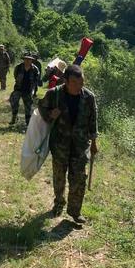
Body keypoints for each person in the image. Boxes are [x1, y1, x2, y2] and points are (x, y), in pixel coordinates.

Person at [38, 64, 98, 225]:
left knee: (79, 179)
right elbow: (41, 108)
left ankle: (75, 212)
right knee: (59, 177)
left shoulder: (88, 97)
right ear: (65, 81)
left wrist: (94, 142)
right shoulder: (54, 94)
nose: (79, 86)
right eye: (75, 83)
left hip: (80, 146)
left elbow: (93, 121)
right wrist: (51, 114)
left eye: (82, 82)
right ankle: (59, 203)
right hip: (59, 145)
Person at [9, 53, 40, 126]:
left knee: (28, 107)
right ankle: (14, 118)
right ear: (24, 60)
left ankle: (28, 122)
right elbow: (15, 75)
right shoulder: (19, 67)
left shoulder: (35, 69)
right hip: (18, 89)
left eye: (29, 59)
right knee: (14, 103)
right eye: (26, 59)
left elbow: (36, 79)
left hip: (28, 90)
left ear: (32, 60)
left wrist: (33, 89)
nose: (27, 61)